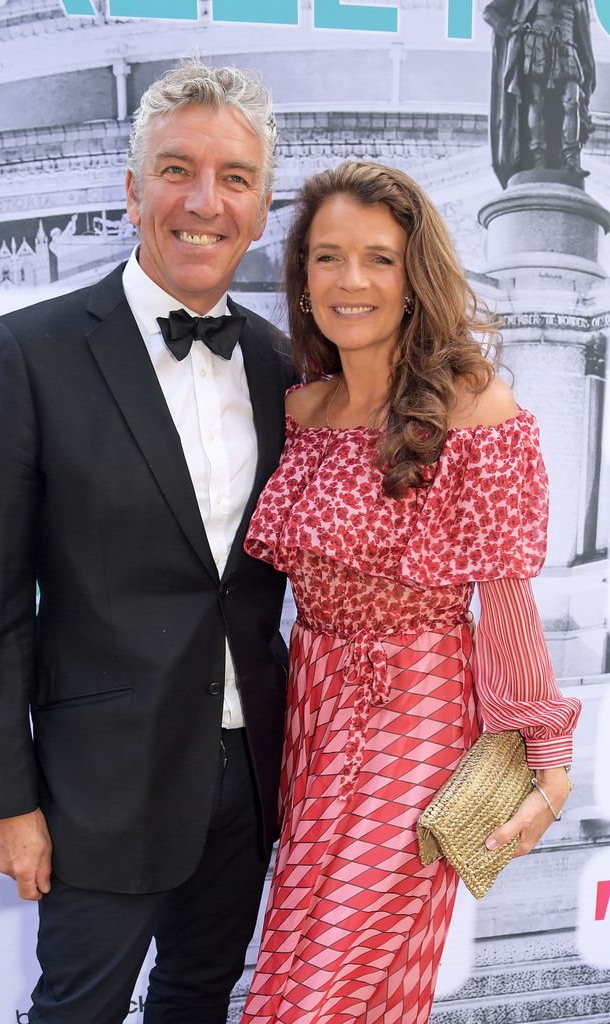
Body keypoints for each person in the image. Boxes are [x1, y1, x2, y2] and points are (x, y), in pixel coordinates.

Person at [0, 59, 294, 1024]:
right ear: (131, 188)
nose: (202, 202)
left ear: (262, 208)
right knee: (79, 1011)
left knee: (197, 998)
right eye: (176, 169)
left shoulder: (281, 364)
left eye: (233, 179)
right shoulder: (24, 353)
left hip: (250, 775)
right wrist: (6, 801)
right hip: (95, 787)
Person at [239, 161, 581, 1024]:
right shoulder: (297, 412)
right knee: (342, 983)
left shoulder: (473, 407)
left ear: (412, 274)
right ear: (302, 278)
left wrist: (545, 758)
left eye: (378, 259)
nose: (350, 281)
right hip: (312, 718)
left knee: (311, 998)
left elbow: (503, 597)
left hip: (418, 708)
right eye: (327, 258)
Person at [484, 0, 595, 185]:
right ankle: (538, 160)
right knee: (536, 102)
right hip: (535, 46)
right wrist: (510, 28)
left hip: (567, 49)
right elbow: (490, 12)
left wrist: (588, 72)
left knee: (572, 101)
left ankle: (571, 160)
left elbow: (582, 34)